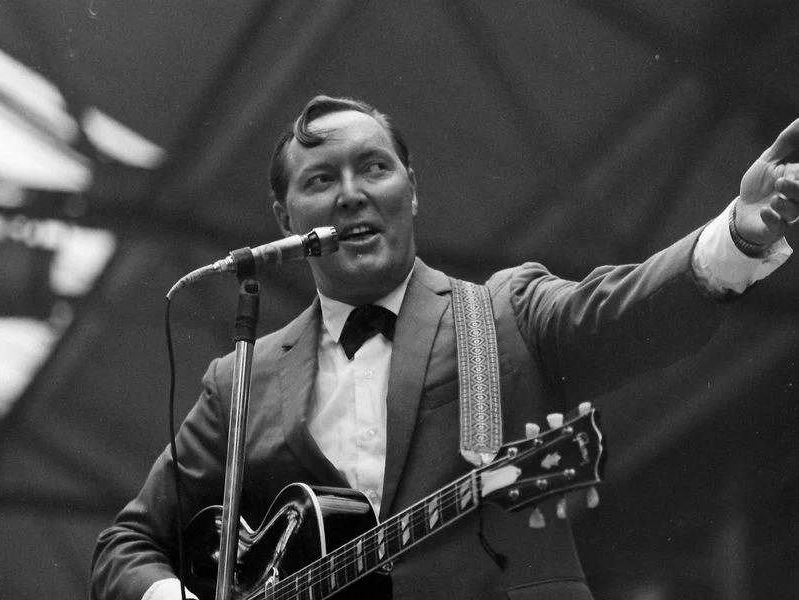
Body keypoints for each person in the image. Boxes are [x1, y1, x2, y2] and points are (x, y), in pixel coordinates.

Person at [90, 95, 796, 600]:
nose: (350, 195)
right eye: (320, 180)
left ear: (412, 191)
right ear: (284, 217)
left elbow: (624, 312)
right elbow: (128, 544)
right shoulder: (239, 381)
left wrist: (736, 234)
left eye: (373, 168)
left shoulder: (504, 313)